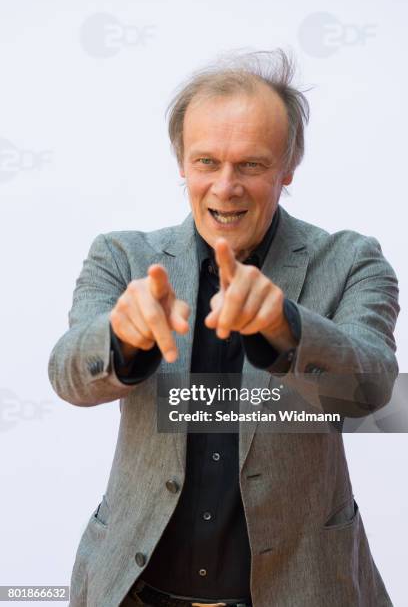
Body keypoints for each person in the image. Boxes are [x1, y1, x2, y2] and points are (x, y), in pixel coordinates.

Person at [48, 50, 399, 607]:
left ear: (288, 167)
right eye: (207, 161)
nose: (225, 186)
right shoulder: (123, 256)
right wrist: (121, 339)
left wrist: (287, 329)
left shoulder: (351, 260)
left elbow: (374, 389)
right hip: (135, 590)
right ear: (182, 163)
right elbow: (69, 374)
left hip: (302, 590)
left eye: (252, 165)